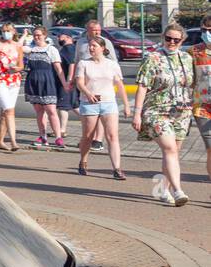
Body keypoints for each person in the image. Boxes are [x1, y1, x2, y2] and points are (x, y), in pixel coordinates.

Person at [133, 24, 195, 207]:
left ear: (182, 41)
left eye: (176, 40)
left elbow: (192, 84)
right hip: (157, 110)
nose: (172, 42)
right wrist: (137, 114)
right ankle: (178, 191)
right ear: (163, 37)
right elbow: (142, 86)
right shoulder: (153, 58)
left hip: (181, 112)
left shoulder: (186, 58)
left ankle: (163, 189)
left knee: (173, 153)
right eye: (168, 38)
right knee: (170, 149)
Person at [74, 36, 130, 179]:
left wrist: (127, 105)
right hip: (89, 103)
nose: (91, 48)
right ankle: (83, 161)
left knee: (112, 136)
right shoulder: (83, 63)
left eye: (94, 46)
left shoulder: (112, 65)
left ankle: (117, 169)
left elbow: (120, 85)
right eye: (90, 46)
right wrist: (88, 93)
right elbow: (79, 83)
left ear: (103, 48)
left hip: (108, 103)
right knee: (88, 136)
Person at [23, 27, 68, 149]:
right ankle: (42, 136)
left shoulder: (51, 49)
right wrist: (24, 35)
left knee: (51, 110)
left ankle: (58, 137)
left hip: (47, 81)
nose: (37, 37)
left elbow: (58, 69)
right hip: (33, 81)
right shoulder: (30, 49)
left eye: (39, 35)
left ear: (45, 35)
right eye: (35, 35)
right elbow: (17, 46)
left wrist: (64, 83)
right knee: (39, 111)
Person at [0, 25, 26, 151]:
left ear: (13, 31)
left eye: (8, 31)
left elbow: (21, 65)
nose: (5, 33)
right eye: (3, 31)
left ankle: (0, 141)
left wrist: (18, 68)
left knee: (6, 111)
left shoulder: (17, 46)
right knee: (9, 110)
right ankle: (14, 141)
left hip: (13, 80)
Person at [81, 20, 118, 153]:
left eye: (99, 30)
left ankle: (98, 139)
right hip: (87, 80)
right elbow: (76, 60)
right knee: (90, 118)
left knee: (103, 109)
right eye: (94, 30)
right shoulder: (81, 42)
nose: (97, 32)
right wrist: (71, 78)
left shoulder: (106, 42)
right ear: (88, 30)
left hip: (103, 81)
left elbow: (113, 60)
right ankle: (88, 143)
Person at [189, 15, 211, 197]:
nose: (207, 34)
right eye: (204, 30)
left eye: (210, 30)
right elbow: (187, 80)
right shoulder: (194, 52)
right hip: (203, 107)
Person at [55, 32, 80, 143]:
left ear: (68, 38)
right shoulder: (69, 48)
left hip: (66, 81)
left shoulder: (69, 48)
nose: (58, 38)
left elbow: (72, 64)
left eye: (60, 36)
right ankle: (90, 121)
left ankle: (62, 130)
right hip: (66, 81)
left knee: (63, 106)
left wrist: (68, 80)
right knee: (73, 104)